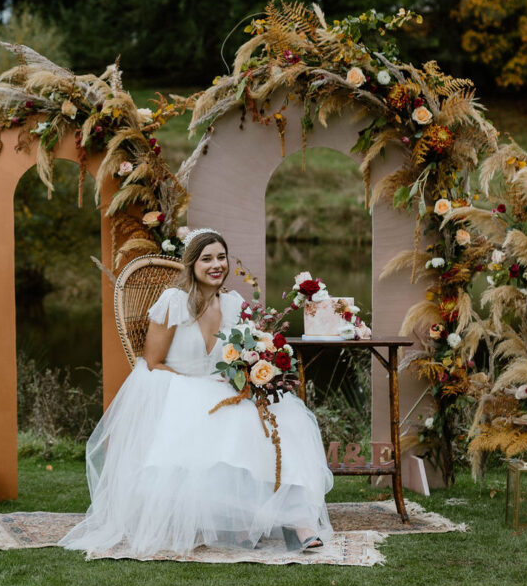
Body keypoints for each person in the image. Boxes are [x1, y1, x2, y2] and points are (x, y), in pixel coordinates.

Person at [59, 228, 334, 559]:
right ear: (191, 264)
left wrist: (252, 375)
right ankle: (246, 524)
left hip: (222, 390)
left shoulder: (234, 305)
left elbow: (242, 355)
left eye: (221, 257)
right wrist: (192, 388)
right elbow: (153, 362)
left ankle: (299, 523)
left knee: (285, 415)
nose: (216, 265)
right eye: (207, 259)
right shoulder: (172, 302)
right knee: (226, 420)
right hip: (176, 386)